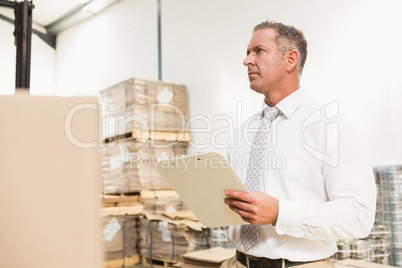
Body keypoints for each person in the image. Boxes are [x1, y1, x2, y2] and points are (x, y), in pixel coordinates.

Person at [221, 20, 376, 268]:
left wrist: (280, 213)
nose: (247, 61)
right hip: (236, 263)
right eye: (247, 53)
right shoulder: (243, 132)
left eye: (258, 51)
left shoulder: (332, 127)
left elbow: (358, 216)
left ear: (290, 60)